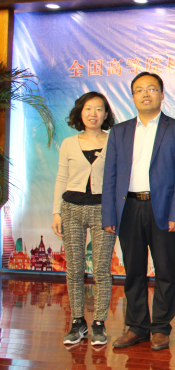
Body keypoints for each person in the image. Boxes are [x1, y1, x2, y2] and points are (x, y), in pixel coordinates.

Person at [102, 72, 175, 351]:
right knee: (133, 271)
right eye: (139, 90)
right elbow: (110, 176)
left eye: (151, 89)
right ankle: (137, 326)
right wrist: (109, 214)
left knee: (165, 270)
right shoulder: (120, 131)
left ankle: (160, 327)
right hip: (128, 208)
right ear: (133, 96)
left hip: (162, 208)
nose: (146, 94)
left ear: (162, 94)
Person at [53, 92, 117, 346]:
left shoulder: (114, 141)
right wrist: (56, 212)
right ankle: (77, 322)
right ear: (80, 112)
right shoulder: (69, 143)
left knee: (101, 269)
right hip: (71, 209)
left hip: (103, 210)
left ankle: (99, 323)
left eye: (99, 109)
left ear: (106, 114)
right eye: (88, 108)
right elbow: (61, 177)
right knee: (75, 268)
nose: (93, 114)